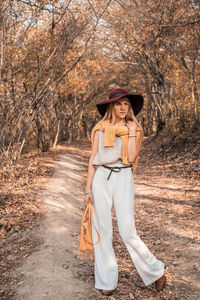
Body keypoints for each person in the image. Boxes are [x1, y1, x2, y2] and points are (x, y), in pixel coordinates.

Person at [84, 88, 166, 296]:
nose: (122, 107)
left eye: (126, 104)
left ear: (129, 108)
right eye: (119, 104)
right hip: (101, 177)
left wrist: (129, 133)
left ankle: (156, 271)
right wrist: (87, 189)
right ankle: (107, 280)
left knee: (128, 231)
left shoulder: (135, 128)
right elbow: (93, 158)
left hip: (123, 177)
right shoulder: (100, 128)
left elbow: (130, 157)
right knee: (102, 230)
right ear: (111, 106)